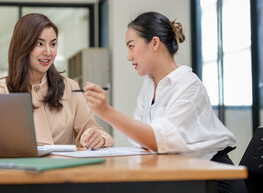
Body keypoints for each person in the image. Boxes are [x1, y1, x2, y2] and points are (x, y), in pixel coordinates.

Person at [83, 11, 246, 193]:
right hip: (181, 173)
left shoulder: (188, 84)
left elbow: (157, 140)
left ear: (154, 43)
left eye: (131, 46)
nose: (129, 57)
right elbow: (140, 139)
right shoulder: (149, 84)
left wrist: (106, 112)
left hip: (213, 180)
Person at [0, 13, 114, 150]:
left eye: (53, 44)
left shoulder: (70, 87)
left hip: (61, 169)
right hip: (18, 169)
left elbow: (90, 129)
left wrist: (96, 137)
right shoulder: (2, 89)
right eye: (39, 43)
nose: (48, 52)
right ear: (23, 46)